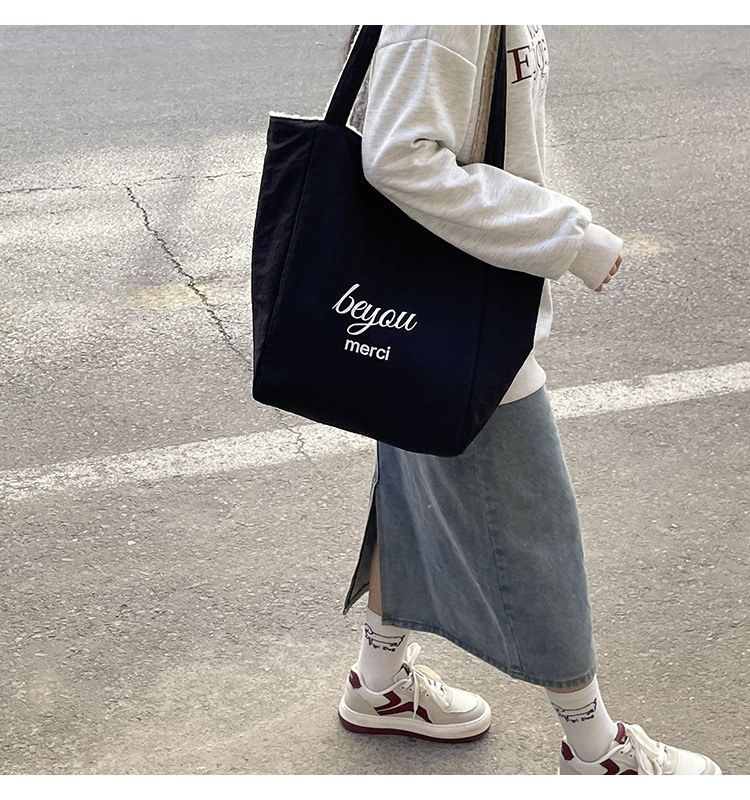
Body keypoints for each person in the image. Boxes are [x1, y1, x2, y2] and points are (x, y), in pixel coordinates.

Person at [335, 25, 721, 776]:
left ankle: (377, 683)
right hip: (457, 316)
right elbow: (398, 155)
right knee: (535, 530)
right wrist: (569, 238)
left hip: (425, 307)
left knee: (409, 494)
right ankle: (597, 750)